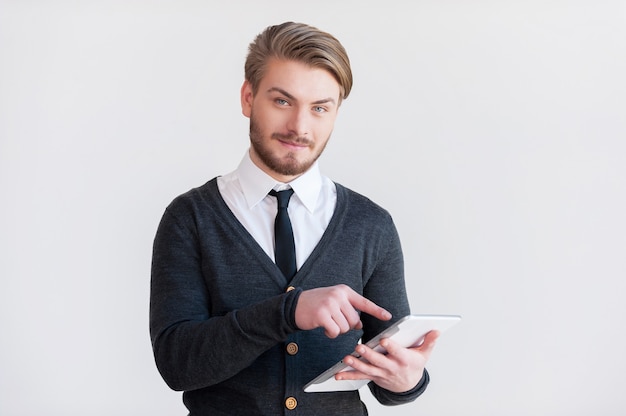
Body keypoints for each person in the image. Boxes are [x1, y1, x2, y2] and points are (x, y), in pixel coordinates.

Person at [150, 21, 439, 415]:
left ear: (336, 113)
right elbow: (177, 365)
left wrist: (408, 381)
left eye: (320, 108)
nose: (299, 127)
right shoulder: (191, 218)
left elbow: (389, 369)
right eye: (282, 101)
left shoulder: (370, 225)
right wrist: (288, 312)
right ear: (248, 98)